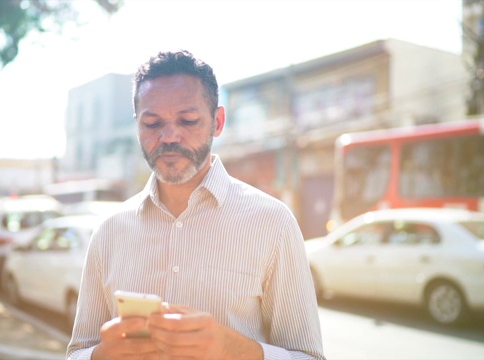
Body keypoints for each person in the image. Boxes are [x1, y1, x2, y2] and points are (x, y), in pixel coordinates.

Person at [67, 50, 325, 360]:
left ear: (218, 122)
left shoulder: (273, 223)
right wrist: (100, 356)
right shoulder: (108, 232)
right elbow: (77, 352)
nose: (169, 136)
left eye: (188, 120)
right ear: (137, 125)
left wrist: (232, 349)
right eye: (152, 123)